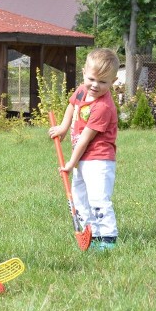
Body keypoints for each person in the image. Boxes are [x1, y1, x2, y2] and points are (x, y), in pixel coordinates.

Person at [48, 48, 121, 251]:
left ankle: (107, 237)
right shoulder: (82, 89)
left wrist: (71, 163)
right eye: (92, 79)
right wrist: (63, 127)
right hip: (82, 158)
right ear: (84, 73)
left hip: (98, 159)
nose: (95, 85)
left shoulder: (103, 107)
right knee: (79, 197)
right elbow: (73, 105)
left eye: (103, 82)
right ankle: (90, 232)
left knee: (98, 198)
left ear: (113, 82)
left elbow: (86, 139)